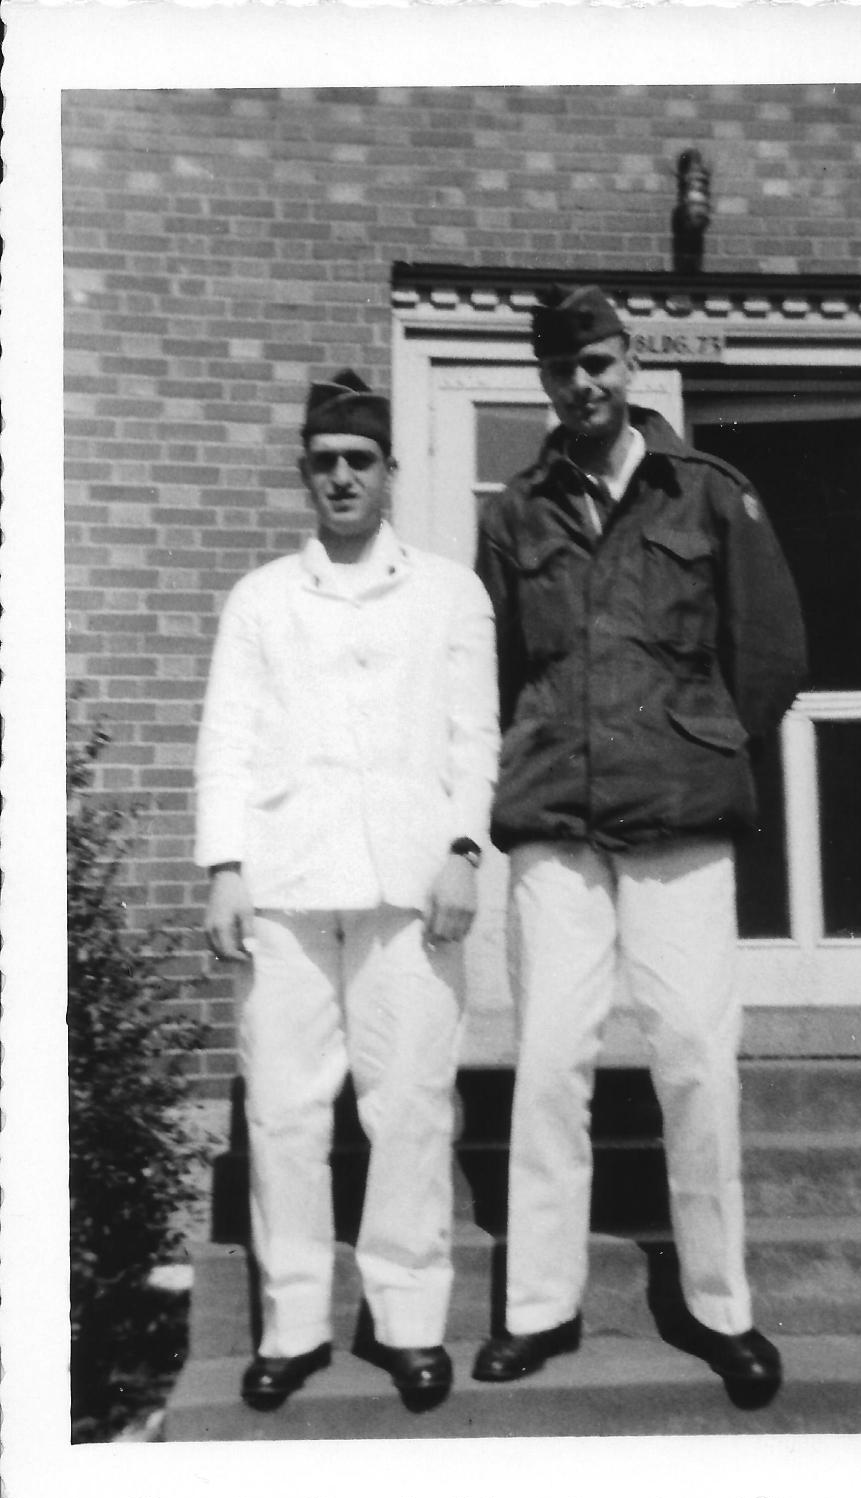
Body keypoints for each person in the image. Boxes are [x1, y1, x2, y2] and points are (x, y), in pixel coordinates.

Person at [473, 287, 807, 1410]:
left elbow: (770, 651)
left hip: (679, 816)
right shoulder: (514, 512)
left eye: (601, 363)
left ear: (630, 364)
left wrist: (697, 742)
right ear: (544, 381)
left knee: (696, 1059)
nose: (585, 385)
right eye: (563, 370)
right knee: (547, 1062)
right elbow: (497, 667)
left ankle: (721, 1306)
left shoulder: (707, 490)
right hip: (555, 823)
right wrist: (533, 749)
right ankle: (538, 1306)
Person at [196, 371, 499, 1414]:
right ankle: (292, 1325)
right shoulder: (261, 598)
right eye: (323, 461)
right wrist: (224, 868)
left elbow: (474, 735)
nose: (340, 477)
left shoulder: (450, 592)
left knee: (409, 1106)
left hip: (409, 887)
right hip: (284, 886)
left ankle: (408, 1320)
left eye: (358, 460)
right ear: (303, 473)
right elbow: (227, 738)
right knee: (284, 1112)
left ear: (388, 472)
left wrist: (463, 849)